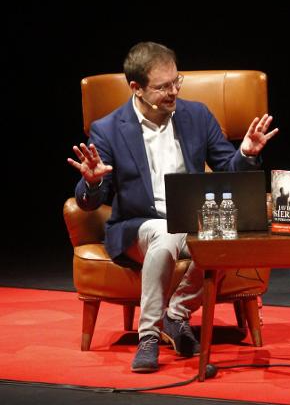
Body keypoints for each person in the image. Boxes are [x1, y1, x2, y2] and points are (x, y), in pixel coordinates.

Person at [67, 41, 278, 373]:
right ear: (136, 88)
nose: (173, 92)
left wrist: (247, 154)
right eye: (163, 87)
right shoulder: (108, 129)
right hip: (138, 227)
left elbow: (230, 172)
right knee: (164, 235)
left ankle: (176, 314)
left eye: (176, 82)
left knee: (224, 233)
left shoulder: (197, 115)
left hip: (193, 222)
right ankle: (148, 336)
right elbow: (91, 201)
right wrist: (92, 182)